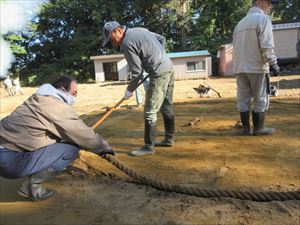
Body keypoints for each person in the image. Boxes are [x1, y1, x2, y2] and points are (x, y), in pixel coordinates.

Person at [0, 76, 114, 201]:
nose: (74, 98)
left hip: (5, 150)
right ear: (62, 89)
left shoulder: (37, 98)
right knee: (70, 149)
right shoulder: (57, 107)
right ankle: (32, 186)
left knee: (59, 140)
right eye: (73, 93)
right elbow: (85, 136)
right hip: (9, 163)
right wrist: (104, 147)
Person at [103, 21, 175, 156]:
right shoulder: (140, 29)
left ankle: (149, 147)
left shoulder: (126, 43)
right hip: (169, 67)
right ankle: (169, 139)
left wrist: (129, 89)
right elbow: (161, 39)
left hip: (159, 73)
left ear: (118, 31)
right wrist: (159, 56)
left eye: (112, 40)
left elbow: (137, 73)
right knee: (167, 106)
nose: (114, 44)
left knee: (149, 111)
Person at [232, 0, 280, 136]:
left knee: (243, 98)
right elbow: (266, 45)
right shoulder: (263, 19)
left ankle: (246, 129)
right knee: (261, 98)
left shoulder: (239, 24)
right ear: (259, 2)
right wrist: (273, 63)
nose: (271, 6)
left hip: (240, 67)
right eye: (269, 2)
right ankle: (259, 128)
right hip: (257, 67)